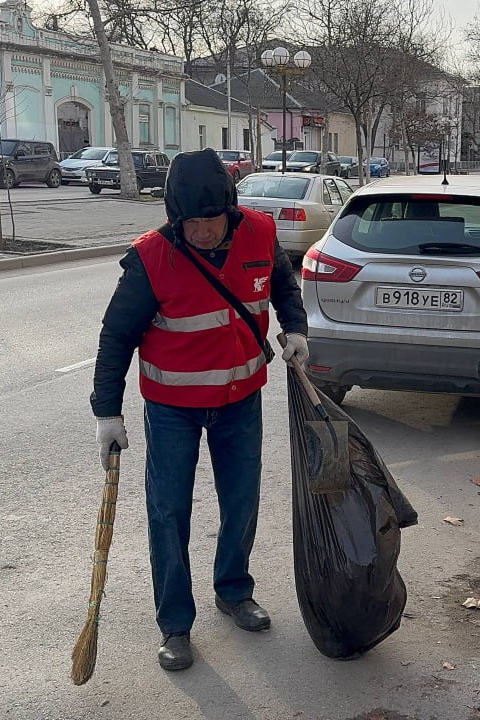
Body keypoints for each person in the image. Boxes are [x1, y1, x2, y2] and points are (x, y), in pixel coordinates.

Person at [90, 148, 309, 672]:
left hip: (240, 400)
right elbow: (116, 337)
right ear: (174, 216)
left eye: (211, 221)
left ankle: (234, 590)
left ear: (229, 210)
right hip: (173, 410)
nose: (203, 232)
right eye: (191, 223)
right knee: (169, 513)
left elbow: (282, 284)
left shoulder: (259, 232)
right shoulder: (150, 259)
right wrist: (107, 413)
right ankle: (175, 624)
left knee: (242, 501)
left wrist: (295, 326)